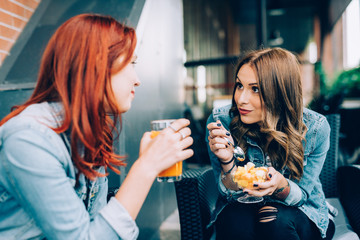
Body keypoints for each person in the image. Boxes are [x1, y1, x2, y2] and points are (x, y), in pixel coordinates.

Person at [0, 14, 193, 239]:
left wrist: (146, 169)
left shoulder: (88, 133)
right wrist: (146, 167)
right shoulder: (30, 139)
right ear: (95, 66)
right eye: (130, 63)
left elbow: (98, 223)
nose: (137, 79)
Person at [206, 47, 335, 239]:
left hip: (301, 212)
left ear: (281, 92)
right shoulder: (221, 121)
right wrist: (227, 162)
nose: (241, 99)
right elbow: (228, 196)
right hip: (243, 209)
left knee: (275, 220)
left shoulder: (315, 128)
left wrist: (280, 185)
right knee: (233, 220)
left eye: (255, 89)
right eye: (239, 85)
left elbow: (303, 196)